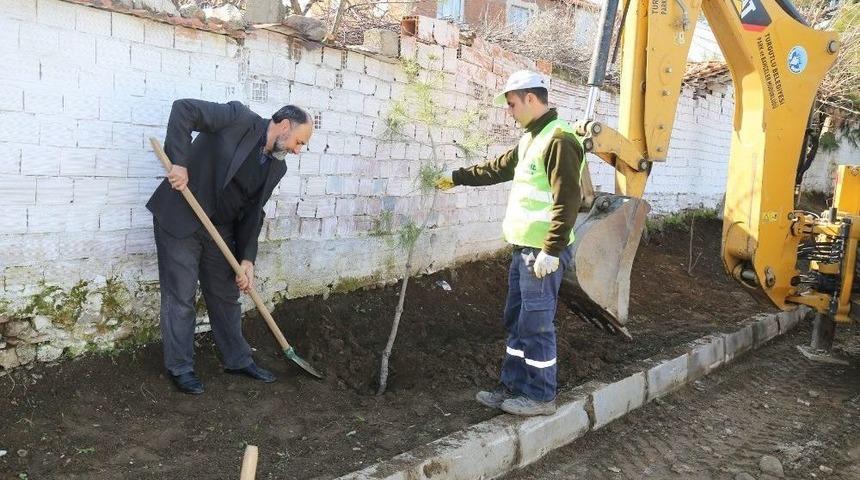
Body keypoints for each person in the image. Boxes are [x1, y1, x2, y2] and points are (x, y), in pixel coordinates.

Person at [435, 71, 584, 416]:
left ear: (531, 99)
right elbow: (498, 168)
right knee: (517, 320)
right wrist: (457, 177)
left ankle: (541, 396)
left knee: (536, 323)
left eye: (512, 104)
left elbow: (568, 201)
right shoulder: (532, 138)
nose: (509, 111)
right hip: (524, 250)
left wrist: (551, 250)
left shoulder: (560, 140)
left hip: (543, 254)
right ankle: (514, 386)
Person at [147, 99, 313, 395]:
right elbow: (184, 109)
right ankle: (181, 367)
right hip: (183, 216)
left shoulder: (276, 168)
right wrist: (180, 163)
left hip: (220, 230)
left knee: (226, 295)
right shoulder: (238, 119)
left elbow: (254, 212)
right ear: (285, 126)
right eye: (299, 141)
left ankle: (237, 359)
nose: (297, 149)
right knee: (181, 296)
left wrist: (247, 259)